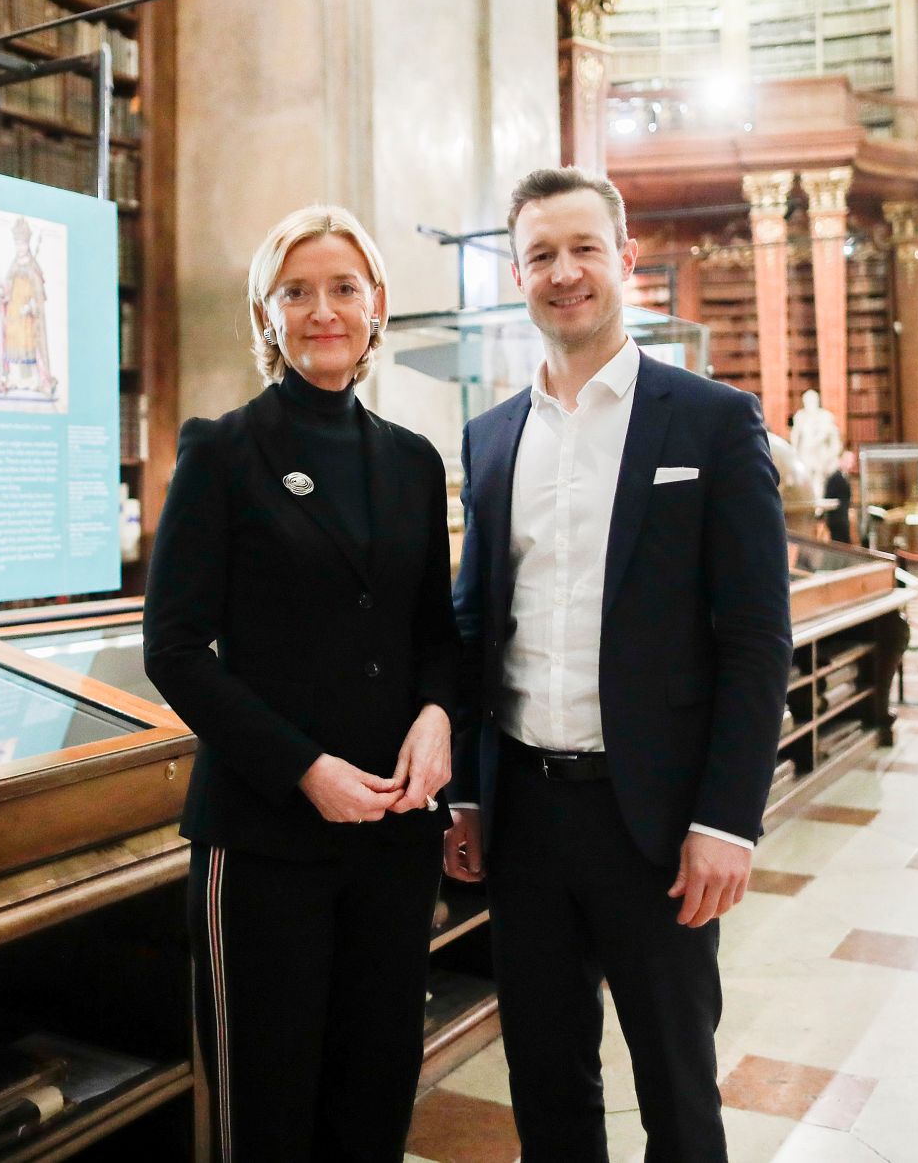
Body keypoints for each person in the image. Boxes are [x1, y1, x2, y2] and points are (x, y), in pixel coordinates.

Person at [444, 167, 791, 1163]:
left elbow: (754, 636)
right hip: (525, 821)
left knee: (677, 1087)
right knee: (545, 1082)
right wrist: (466, 794)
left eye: (582, 248)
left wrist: (725, 817)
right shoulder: (491, 437)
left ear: (624, 260)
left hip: (656, 820)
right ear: (518, 276)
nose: (563, 273)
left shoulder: (710, 421)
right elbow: (474, 627)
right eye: (540, 255)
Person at [142, 205, 459, 1162]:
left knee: (374, 1095)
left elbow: (437, 632)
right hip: (268, 835)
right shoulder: (223, 452)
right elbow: (175, 647)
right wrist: (304, 767)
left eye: (343, 288)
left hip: (394, 838)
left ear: (377, 309)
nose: (323, 310)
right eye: (297, 291)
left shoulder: (412, 462)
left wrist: (442, 714)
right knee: (267, 1111)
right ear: (266, 313)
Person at [824, 447, 856, 544]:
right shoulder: (835, 478)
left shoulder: (845, 476)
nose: (850, 463)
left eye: (851, 461)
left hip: (843, 517)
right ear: (840, 460)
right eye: (847, 460)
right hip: (837, 520)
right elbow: (829, 498)